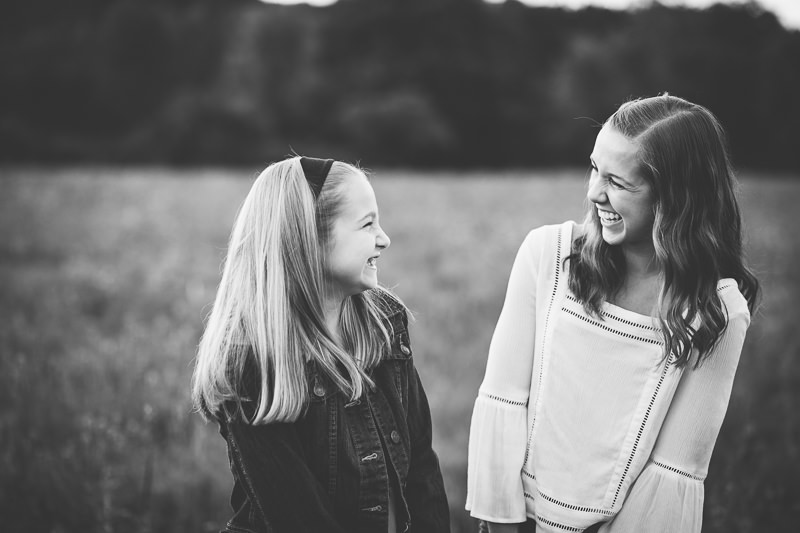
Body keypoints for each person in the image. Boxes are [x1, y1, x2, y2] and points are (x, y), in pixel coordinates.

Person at [465, 94, 760, 532]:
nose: (593, 192)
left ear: (675, 198)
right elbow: (504, 397)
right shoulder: (549, 255)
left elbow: (674, 468)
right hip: (519, 520)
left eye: (617, 183)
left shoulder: (716, 312)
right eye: (593, 168)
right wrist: (505, 525)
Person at [192, 156, 450, 533]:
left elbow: (422, 469)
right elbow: (300, 518)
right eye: (367, 224)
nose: (384, 238)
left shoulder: (384, 321)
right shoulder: (253, 360)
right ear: (309, 237)